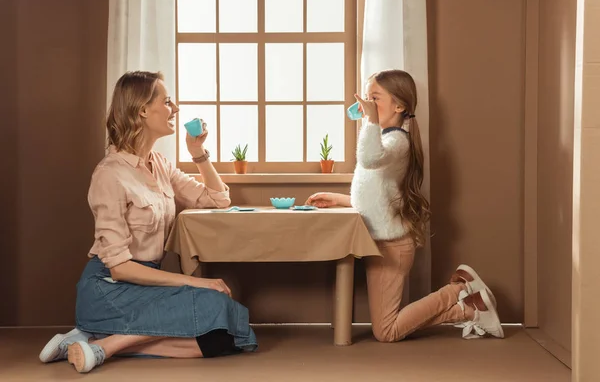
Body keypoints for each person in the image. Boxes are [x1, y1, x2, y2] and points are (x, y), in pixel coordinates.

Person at [39, 71, 257, 373]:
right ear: (142, 110)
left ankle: (97, 341)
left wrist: (197, 153)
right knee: (214, 305)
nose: (176, 109)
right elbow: (119, 267)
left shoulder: (161, 166)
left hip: (148, 289)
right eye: (167, 102)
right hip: (109, 288)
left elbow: (218, 199)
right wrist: (196, 281)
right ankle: (102, 344)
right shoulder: (109, 174)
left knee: (227, 337)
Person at [306, 69, 503, 342]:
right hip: (379, 243)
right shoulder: (385, 140)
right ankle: (469, 309)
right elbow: (376, 196)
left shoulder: (397, 141)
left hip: (392, 246)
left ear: (399, 105)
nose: (367, 105)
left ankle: (457, 291)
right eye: (366, 98)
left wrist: (370, 121)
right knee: (386, 328)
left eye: (374, 98)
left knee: (386, 332)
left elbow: (369, 158)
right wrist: (340, 199)